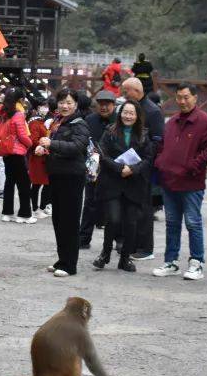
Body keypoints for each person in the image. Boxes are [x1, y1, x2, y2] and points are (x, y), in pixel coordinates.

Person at [152, 84, 207, 281]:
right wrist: (160, 163)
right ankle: (171, 261)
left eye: (186, 97)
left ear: (195, 98)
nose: (182, 101)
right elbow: (163, 146)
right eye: (179, 97)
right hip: (169, 181)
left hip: (191, 183)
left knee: (193, 223)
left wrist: (192, 166)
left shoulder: (205, 122)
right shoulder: (171, 122)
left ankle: (196, 262)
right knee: (172, 223)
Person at [94, 100, 154, 273]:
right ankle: (105, 254)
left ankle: (125, 258)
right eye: (125, 112)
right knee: (113, 219)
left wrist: (133, 170)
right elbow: (102, 153)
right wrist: (120, 168)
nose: (128, 116)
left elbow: (148, 159)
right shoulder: (110, 131)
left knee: (131, 223)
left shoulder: (143, 134)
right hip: (113, 182)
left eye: (131, 113)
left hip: (134, 184)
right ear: (120, 114)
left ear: (137, 116)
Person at [36, 88, 90, 277]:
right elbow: (57, 147)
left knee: (69, 222)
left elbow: (77, 147)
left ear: (76, 104)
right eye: (62, 102)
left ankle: (70, 265)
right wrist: (45, 149)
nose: (65, 106)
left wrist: (52, 145)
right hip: (57, 175)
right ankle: (62, 259)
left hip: (72, 178)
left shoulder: (79, 124)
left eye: (69, 102)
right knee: (58, 220)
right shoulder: (58, 122)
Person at [121, 78, 164, 261]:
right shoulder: (129, 109)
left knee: (145, 208)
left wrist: (141, 160)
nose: (124, 95)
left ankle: (146, 248)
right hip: (128, 165)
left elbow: (158, 141)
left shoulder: (153, 111)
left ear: (136, 91)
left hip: (146, 167)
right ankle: (130, 243)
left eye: (126, 92)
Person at [79, 89, 118, 248]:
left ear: (113, 105)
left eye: (107, 104)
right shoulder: (89, 119)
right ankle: (83, 238)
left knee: (114, 205)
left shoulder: (120, 120)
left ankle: (119, 241)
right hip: (93, 166)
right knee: (89, 203)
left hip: (114, 166)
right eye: (100, 104)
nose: (104, 107)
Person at [0, 87, 35, 224]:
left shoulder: (4, 112)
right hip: (18, 154)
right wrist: (31, 144)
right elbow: (22, 135)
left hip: (6, 152)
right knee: (24, 184)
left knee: (9, 183)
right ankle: (24, 214)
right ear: (20, 100)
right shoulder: (18, 114)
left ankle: (7, 213)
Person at [27, 99, 51, 217]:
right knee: (36, 184)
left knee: (44, 183)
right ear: (37, 108)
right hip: (37, 157)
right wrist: (43, 144)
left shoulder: (41, 121)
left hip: (43, 156)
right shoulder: (34, 123)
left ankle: (41, 207)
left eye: (46, 106)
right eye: (43, 106)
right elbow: (33, 140)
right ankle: (35, 208)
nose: (45, 108)